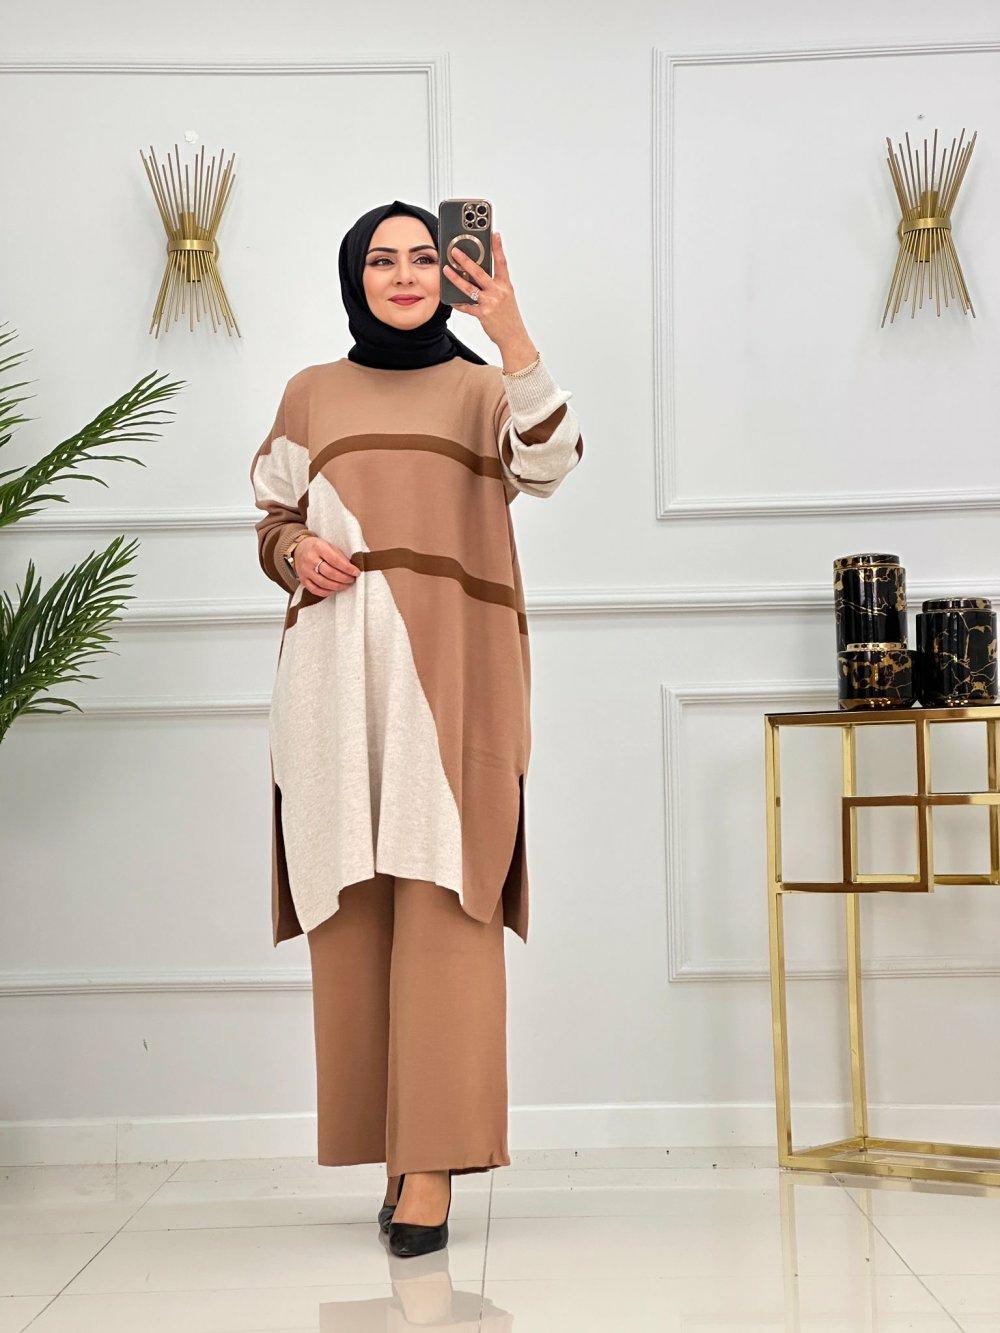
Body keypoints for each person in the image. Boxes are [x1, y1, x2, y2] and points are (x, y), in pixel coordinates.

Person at [249, 199, 583, 1257]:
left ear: (451, 274)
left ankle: (432, 1165)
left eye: (424, 257)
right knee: (355, 912)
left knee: (447, 902)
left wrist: (510, 327)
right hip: (336, 675)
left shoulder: (485, 389)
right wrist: (293, 553)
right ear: (355, 277)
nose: (403, 275)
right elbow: (273, 515)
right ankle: (392, 1146)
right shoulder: (312, 390)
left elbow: (552, 461)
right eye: (382, 259)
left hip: (455, 680)